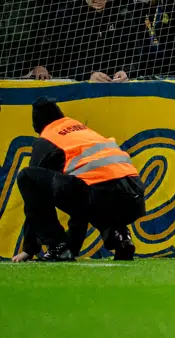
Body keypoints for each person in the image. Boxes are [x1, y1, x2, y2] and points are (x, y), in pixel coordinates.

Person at [14, 98, 145, 262]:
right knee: (94, 190)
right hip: (135, 199)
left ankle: (57, 247)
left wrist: (30, 248)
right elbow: (81, 197)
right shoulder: (82, 131)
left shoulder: (47, 139)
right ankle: (120, 236)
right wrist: (73, 247)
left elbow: (34, 196)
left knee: (27, 177)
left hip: (100, 196)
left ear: (36, 125)